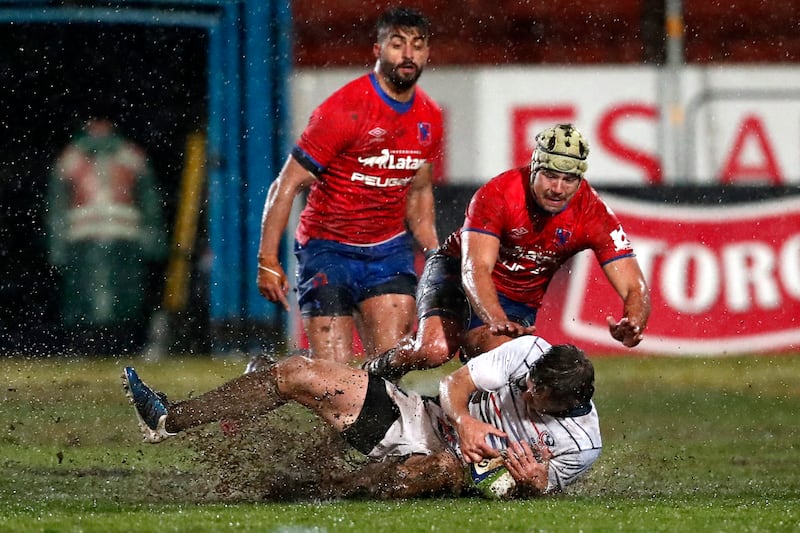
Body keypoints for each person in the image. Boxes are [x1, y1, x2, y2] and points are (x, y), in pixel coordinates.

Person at [122, 334, 600, 499]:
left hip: (458, 472)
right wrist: (465, 420)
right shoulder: (532, 353)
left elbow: (538, 488)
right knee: (296, 374)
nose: (526, 394)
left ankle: (310, 493)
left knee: (431, 472)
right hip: (428, 421)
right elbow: (455, 384)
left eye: (538, 397)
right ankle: (168, 418)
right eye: (529, 384)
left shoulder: (582, 443)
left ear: (568, 401)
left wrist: (533, 483)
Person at [363, 123, 651, 381]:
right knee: (434, 349)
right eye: (550, 176)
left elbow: (634, 286)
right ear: (534, 168)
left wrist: (634, 321)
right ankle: (377, 371)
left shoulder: (594, 213)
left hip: (516, 300)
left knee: (503, 365)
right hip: (454, 273)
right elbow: (475, 269)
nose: (558, 189)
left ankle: (460, 421)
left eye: (569, 180)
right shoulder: (499, 194)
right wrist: (494, 317)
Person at [255, 7, 442, 363]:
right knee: (334, 383)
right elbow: (287, 183)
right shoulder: (345, 110)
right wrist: (267, 259)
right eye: (397, 44)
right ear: (378, 50)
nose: (408, 55)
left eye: (417, 46)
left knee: (389, 369)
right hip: (328, 249)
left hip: (388, 251)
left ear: (427, 53)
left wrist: (435, 254)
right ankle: (266, 374)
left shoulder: (429, 117)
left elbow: (418, 191)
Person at [47, 117, 167, 355]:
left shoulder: (125, 156)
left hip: (119, 240)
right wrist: (57, 246)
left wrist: (153, 237)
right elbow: (57, 206)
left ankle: (118, 346)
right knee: (87, 301)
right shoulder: (77, 158)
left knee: (122, 299)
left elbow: (150, 201)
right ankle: (90, 347)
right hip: (87, 242)